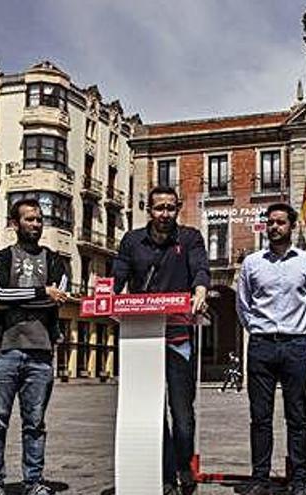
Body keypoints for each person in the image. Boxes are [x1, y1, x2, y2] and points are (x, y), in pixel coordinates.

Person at [112, 185, 210, 495]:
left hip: (179, 336)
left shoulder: (190, 238)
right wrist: (106, 297)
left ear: (178, 208)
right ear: (149, 210)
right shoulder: (131, 241)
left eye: (170, 208)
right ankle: (165, 473)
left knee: (182, 412)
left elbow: (200, 270)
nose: (164, 214)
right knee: (150, 410)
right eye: (159, 208)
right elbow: (118, 277)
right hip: (141, 339)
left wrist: (200, 290)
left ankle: (184, 467)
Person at [0, 198, 69, 495]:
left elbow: (60, 296)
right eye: (30, 219)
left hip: (41, 352)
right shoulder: (1, 258)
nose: (36, 224)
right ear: (15, 224)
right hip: (2, 350)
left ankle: (34, 482)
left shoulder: (57, 260)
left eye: (39, 219)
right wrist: (42, 291)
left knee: (35, 423)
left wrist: (20, 297)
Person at [236, 203, 306, 495]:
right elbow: (243, 306)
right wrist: (258, 329)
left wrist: (299, 333)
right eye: (270, 222)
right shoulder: (251, 263)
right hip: (260, 346)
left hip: (295, 346)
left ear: (292, 226)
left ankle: (299, 480)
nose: (274, 227)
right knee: (260, 417)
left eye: (280, 223)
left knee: (297, 418)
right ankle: (260, 477)